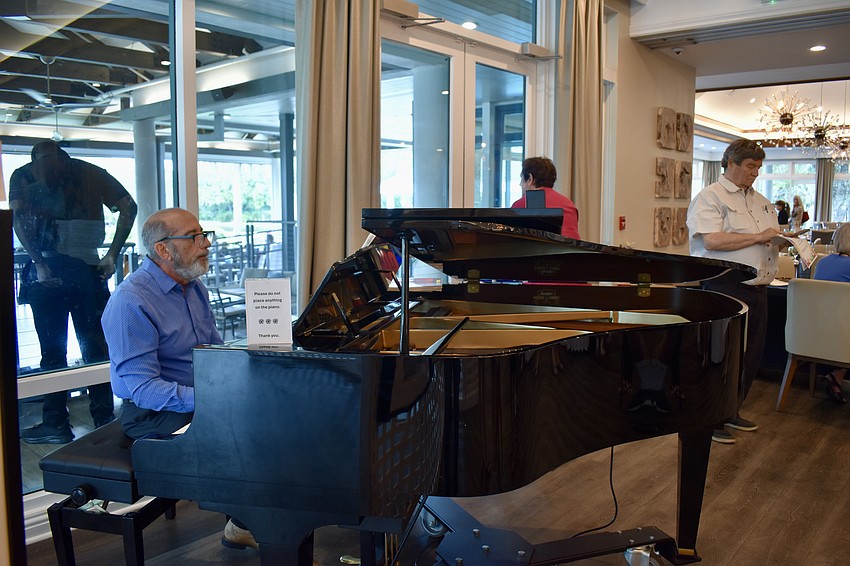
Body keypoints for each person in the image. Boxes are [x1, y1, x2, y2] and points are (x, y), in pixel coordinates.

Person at [100, 208, 257, 551]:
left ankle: (252, 519)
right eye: (194, 237)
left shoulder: (192, 287)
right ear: (164, 250)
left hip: (196, 395)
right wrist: (213, 400)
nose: (206, 244)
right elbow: (143, 389)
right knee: (249, 433)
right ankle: (248, 523)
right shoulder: (132, 301)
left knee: (271, 410)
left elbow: (213, 349)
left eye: (204, 234)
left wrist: (251, 373)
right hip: (150, 414)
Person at [10, 140, 137, 444]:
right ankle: (102, 419)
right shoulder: (88, 173)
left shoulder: (26, 175)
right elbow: (127, 206)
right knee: (91, 348)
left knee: (58, 351)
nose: (47, 167)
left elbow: (18, 220)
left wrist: (39, 262)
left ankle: (61, 422)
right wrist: (111, 255)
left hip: (57, 269)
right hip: (82, 267)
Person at [686, 138, 784, 444]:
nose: (755, 172)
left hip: (759, 287)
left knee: (750, 356)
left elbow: (767, 237)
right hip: (725, 285)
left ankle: (731, 411)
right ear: (731, 163)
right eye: (750, 166)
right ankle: (710, 419)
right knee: (722, 355)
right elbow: (712, 241)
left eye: (758, 167)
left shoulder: (761, 201)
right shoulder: (710, 197)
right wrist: (758, 237)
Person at [813, 222, 850, 402]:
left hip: (816, 332)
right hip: (843, 334)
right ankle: (836, 375)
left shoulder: (822, 262)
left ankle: (836, 376)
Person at [510, 156, 581, 240]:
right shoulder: (569, 205)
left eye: (521, 179)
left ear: (530, 178)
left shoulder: (522, 204)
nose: (520, 184)